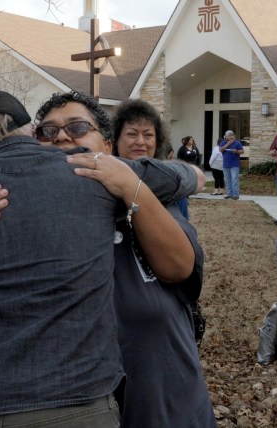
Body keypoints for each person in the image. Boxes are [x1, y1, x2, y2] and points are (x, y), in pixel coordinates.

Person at [0, 90, 204, 426]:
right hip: (76, 394)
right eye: (48, 131)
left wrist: (135, 187)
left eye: (77, 127)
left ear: (108, 145)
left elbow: (180, 264)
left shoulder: (124, 185)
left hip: (155, 395)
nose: (62, 137)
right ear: (33, 138)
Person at [109, 98, 216, 427]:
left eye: (148, 135)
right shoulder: (103, 178)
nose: (141, 142)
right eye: (132, 134)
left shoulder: (166, 182)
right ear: (114, 139)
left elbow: (197, 178)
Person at [219, 129, 243, 200]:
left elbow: (242, 151)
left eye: (232, 135)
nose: (231, 136)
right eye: (230, 135)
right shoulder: (223, 142)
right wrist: (228, 143)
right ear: (226, 137)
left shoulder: (237, 143)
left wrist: (236, 151)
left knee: (234, 179)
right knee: (227, 180)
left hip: (235, 164)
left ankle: (235, 194)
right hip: (226, 164)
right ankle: (229, 194)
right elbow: (220, 150)